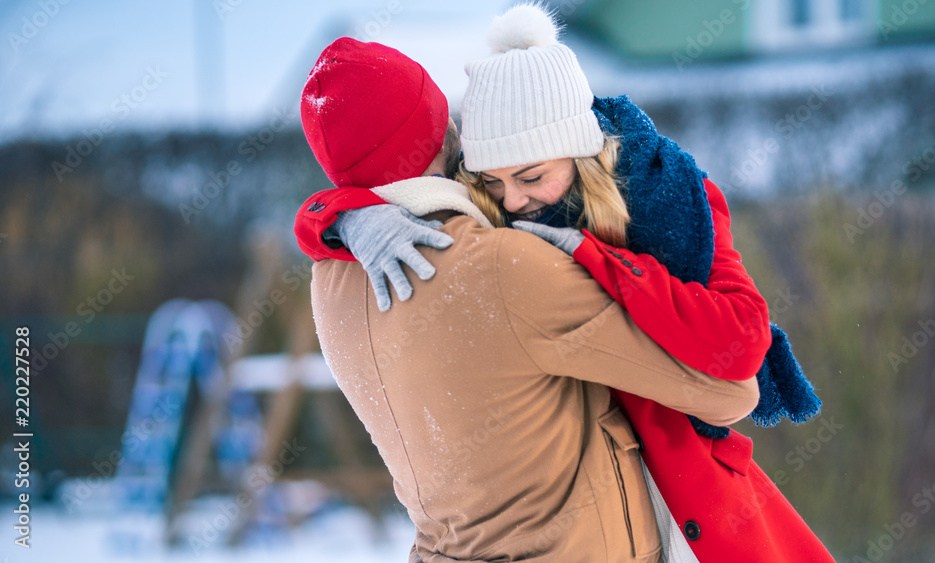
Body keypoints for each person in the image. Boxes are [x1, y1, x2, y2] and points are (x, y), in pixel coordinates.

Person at [295, 6, 834, 561]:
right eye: (496, 180)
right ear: (445, 131)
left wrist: (345, 212)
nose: (511, 200)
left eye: (528, 176)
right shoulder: (505, 265)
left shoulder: (331, 277)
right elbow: (729, 392)